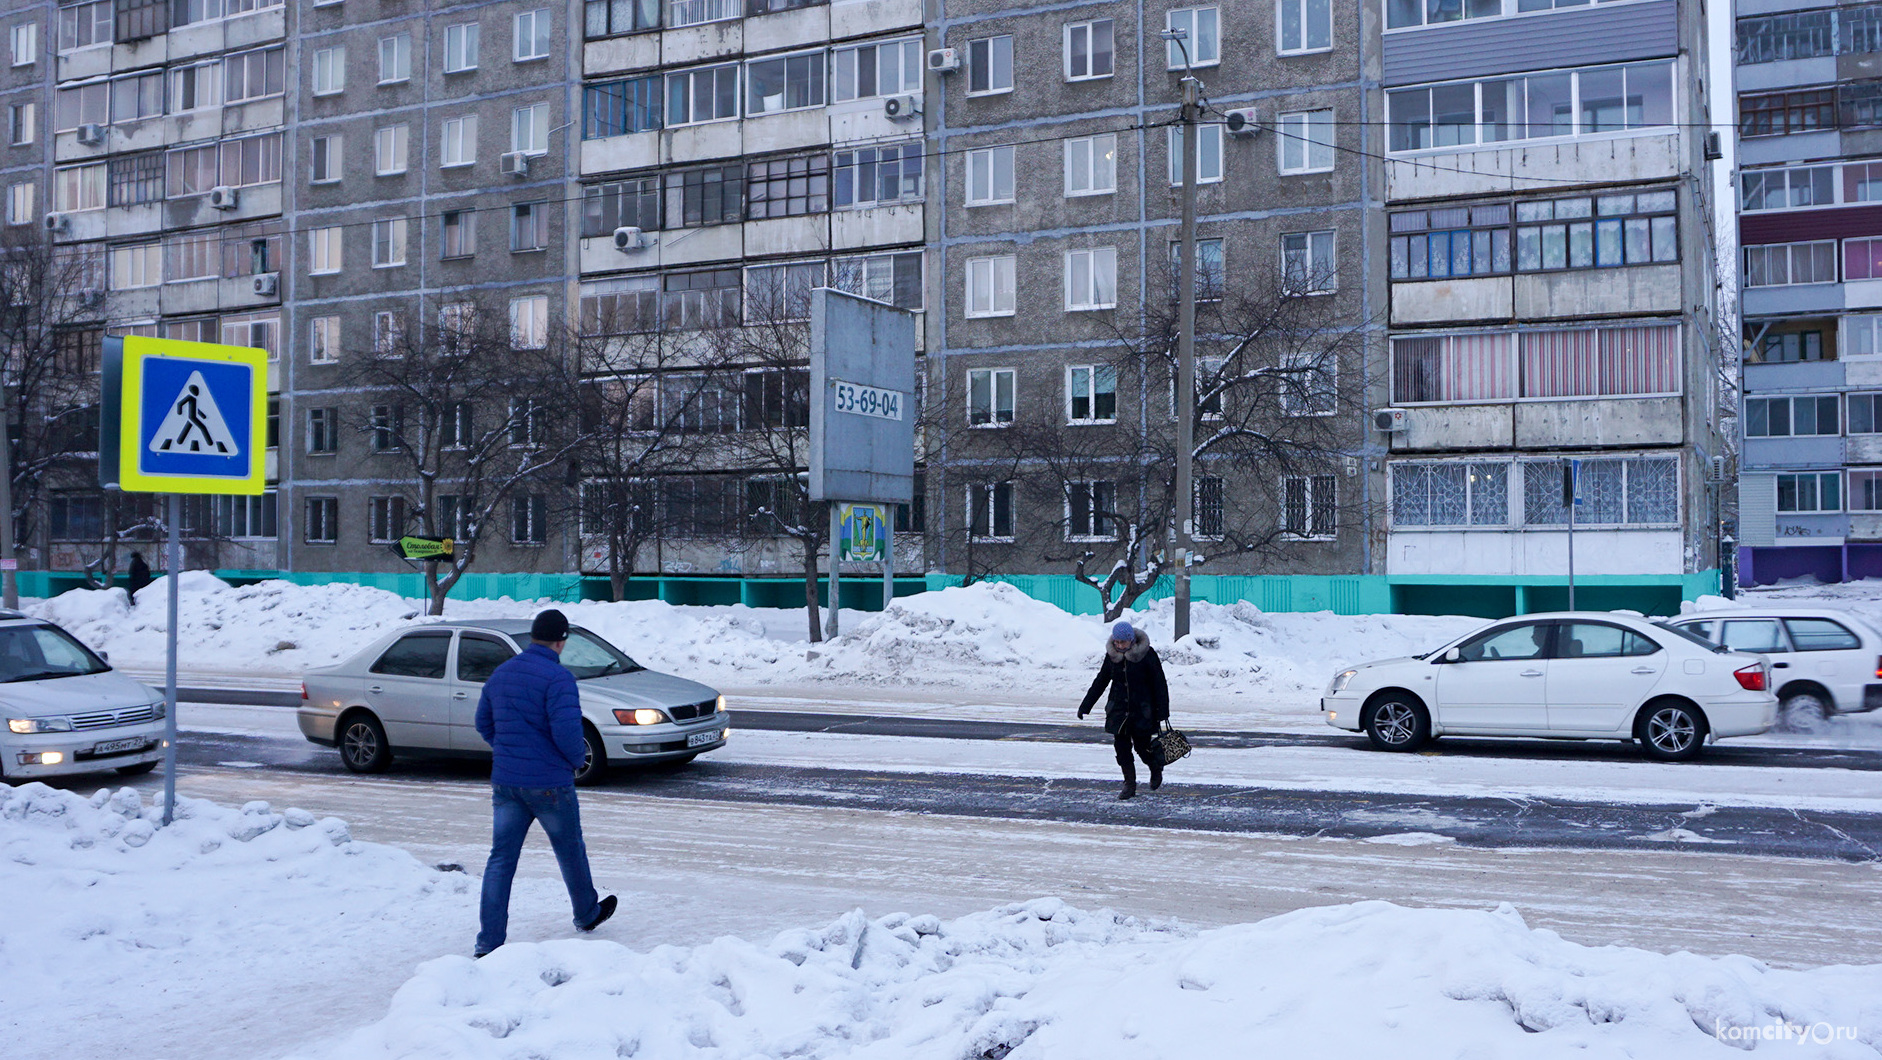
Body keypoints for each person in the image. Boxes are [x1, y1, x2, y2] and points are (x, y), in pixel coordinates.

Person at [473, 608, 616, 957]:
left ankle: (488, 942)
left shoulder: (502, 673)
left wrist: (509, 750)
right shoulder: (558, 678)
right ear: (561, 640)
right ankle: (586, 913)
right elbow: (567, 732)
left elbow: (483, 723)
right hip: (550, 782)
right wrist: (577, 761)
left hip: (507, 783)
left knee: (501, 860)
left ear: (533, 637)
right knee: (569, 849)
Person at [1077, 621, 1171, 800]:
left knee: (1143, 748)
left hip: (1142, 711)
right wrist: (1085, 705)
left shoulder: (1147, 655)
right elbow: (1101, 681)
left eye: (1123, 642)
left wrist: (1162, 711)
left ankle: (1155, 767)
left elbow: (1159, 683)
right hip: (1118, 711)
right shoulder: (1112, 657)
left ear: (1132, 640)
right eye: (1117, 643)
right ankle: (1129, 784)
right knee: (1121, 749)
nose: (1120, 646)